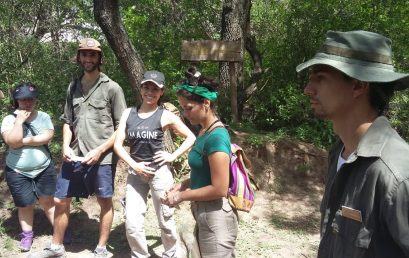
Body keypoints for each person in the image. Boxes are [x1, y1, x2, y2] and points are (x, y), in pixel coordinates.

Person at [296, 30, 409, 257]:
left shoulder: (395, 174)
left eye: (320, 77)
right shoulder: (340, 152)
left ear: (358, 85)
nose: (308, 89)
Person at [29, 38, 127, 258]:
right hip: (74, 154)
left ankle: (101, 249)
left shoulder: (112, 88)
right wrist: (65, 145)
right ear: (79, 57)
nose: (88, 59)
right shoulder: (73, 86)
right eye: (84, 54)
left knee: (104, 201)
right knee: (60, 200)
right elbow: (67, 121)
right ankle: (56, 247)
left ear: (100, 58)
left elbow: (121, 127)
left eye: (92, 55)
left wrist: (100, 150)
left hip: (102, 158)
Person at [114, 70, 196, 258]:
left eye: (154, 88)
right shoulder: (129, 114)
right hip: (136, 174)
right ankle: (140, 255)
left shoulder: (165, 115)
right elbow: (118, 145)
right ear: (141, 88)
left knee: (166, 221)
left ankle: (171, 254)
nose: (149, 92)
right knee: (132, 224)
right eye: (146, 87)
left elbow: (190, 137)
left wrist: (172, 156)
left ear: (161, 92)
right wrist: (134, 165)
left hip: (160, 173)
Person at [163, 68, 238, 258]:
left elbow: (220, 188)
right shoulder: (204, 131)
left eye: (188, 108)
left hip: (216, 217)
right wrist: (182, 185)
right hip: (204, 212)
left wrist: (181, 196)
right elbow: (202, 173)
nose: (185, 114)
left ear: (206, 103)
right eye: (182, 108)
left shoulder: (217, 136)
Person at [1, 83, 56, 252]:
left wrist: (23, 142)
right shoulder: (9, 120)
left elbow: (47, 137)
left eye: (30, 99)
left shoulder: (43, 116)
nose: (27, 103)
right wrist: (19, 122)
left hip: (44, 168)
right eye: (23, 99)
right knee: (25, 204)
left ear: (35, 100)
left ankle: (60, 231)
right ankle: (27, 235)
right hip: (17, 171)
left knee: (47, 201)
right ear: (16, 101)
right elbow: (11, 141)